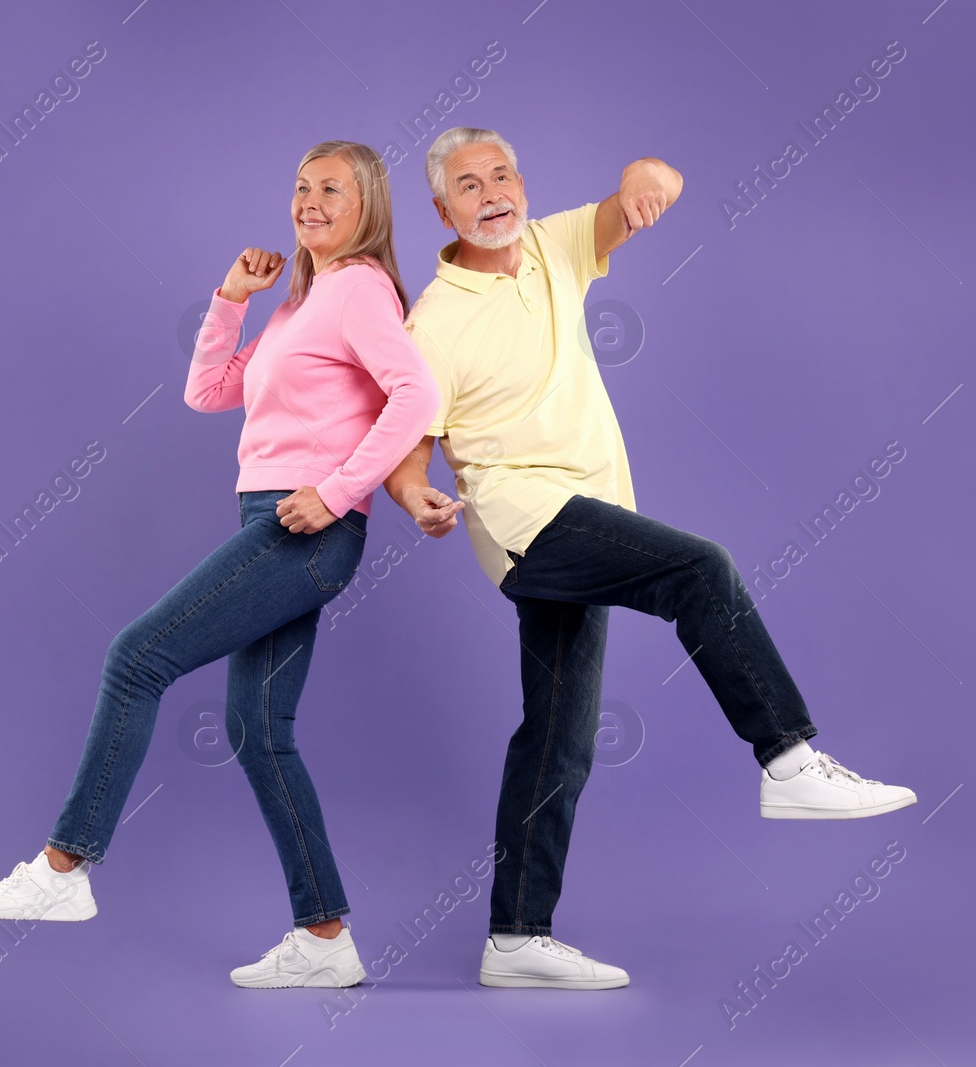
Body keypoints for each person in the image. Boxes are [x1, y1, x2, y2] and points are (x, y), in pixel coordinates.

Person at [384, 127, 917, 990]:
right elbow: (410, 442)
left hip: (589, 512)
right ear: (442, 209)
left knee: (557, 737)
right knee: (699, 569)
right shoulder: (433, 320)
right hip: (527, 515)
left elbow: (655, 173)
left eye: (502, 173)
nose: (492, 192)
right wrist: (413, 495)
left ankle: (515, 937)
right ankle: (787, 757)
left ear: (522, 181)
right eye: (468, 184)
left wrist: (643, 184)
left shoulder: (554, 243)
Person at [0, 140, 439, 990]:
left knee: (136, 657)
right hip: (275, 514)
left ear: (368, 207)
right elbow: (210, 390)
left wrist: (334, 492)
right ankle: (325, 936)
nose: (309, 201)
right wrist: (230, 299)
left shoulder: (360, 287)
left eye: (332, 188)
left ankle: (64, 870)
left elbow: (417, 396)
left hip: (306, 527)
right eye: (300, 187)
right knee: (260, 731)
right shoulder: (303, 302)